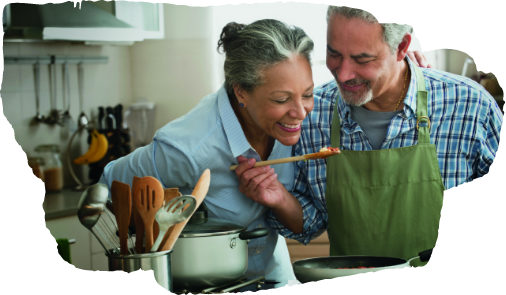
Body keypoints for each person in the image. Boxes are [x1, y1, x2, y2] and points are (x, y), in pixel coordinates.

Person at [234, 6, 503, 268]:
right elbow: (313, 221)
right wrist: (279, 199)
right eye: (334, 53)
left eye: (362, 59)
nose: (343, 73)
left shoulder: (470, 106)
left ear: (401, 48)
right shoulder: (313, 114)